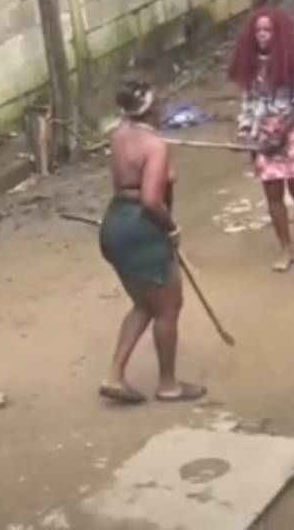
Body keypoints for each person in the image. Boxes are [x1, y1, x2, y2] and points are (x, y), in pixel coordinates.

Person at [98, 79, 205, 405]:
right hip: (141, 227)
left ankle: (114, 376)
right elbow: (150, 200)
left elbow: (124, 181)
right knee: (168, 306)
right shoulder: (154, 145)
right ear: (152, 108)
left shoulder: (118, 135)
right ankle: (168, 384)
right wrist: (170, 228)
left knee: (144, 304)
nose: (163, 106)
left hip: (115, 223)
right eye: (160, 102)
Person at [230, 6, 294, 272]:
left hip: (292, 129)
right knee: (272, 192)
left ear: (277, 33)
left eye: (267, 30)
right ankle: (285, 248)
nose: (262, 35)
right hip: (263, 133)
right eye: (258, 31)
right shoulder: (251, 62)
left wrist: (281, 134)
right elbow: (249, 101)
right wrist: (246, 132)